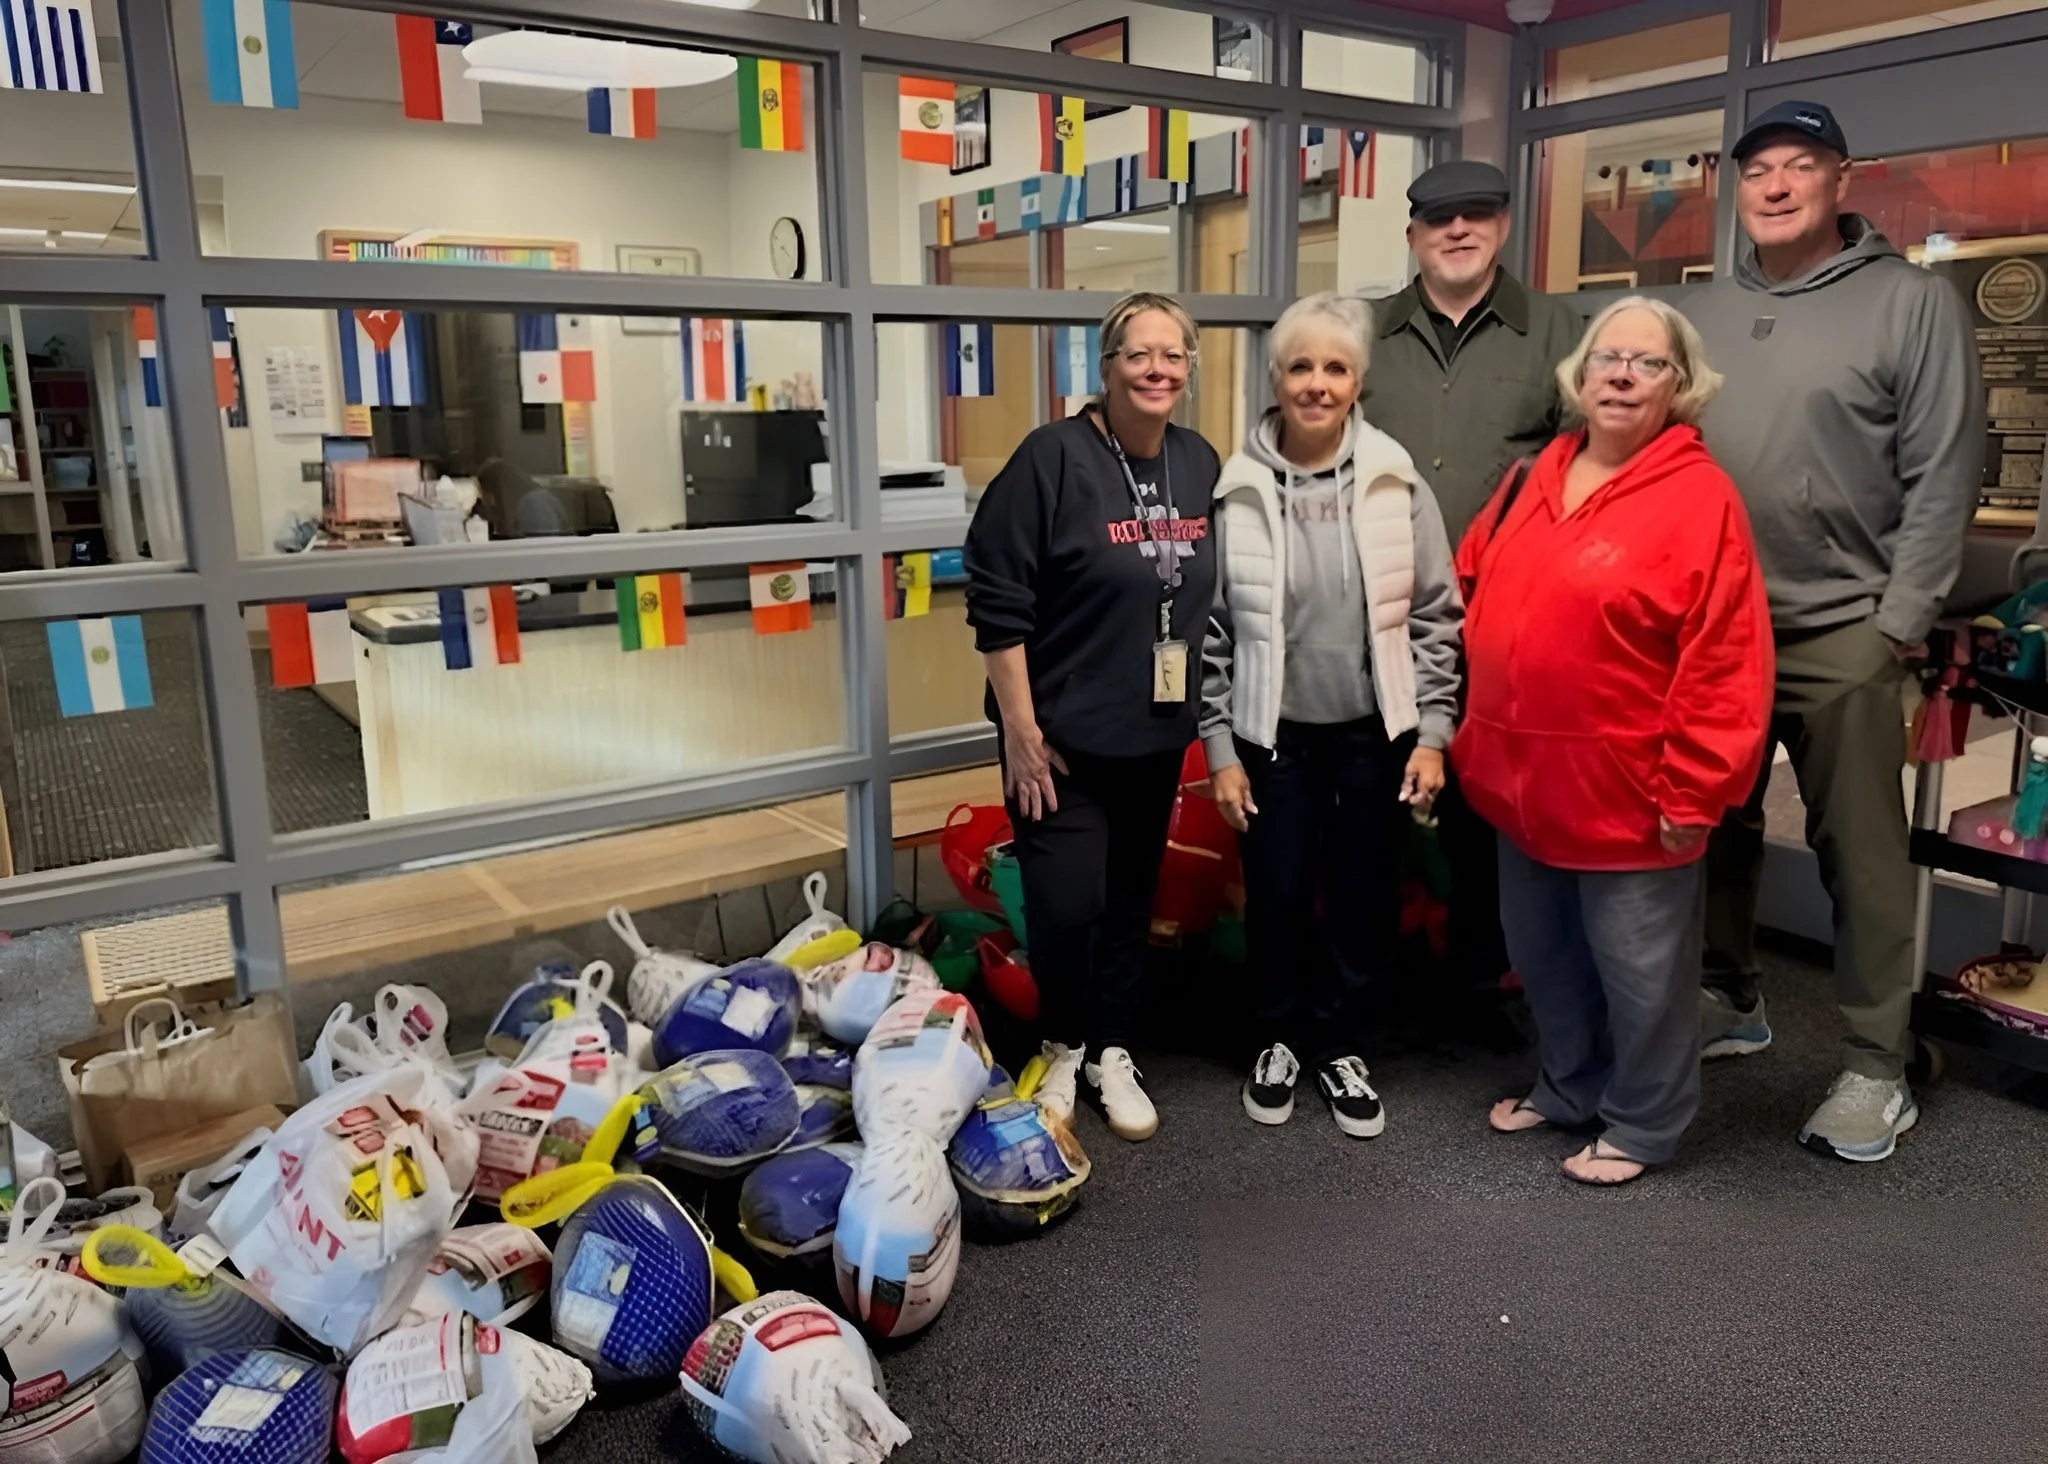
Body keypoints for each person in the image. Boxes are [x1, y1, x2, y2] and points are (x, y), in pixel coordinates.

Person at [1686, 101, 1985, 1163]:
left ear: (1839, 180)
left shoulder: (1907, 304)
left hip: (1841, 631)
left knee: (1855, 855)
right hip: (1713, 630)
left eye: (1796, 167)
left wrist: (1895, 624)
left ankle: (1873, 1065)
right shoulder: (1704, 311)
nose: (1772, 185)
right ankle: (1728, 996)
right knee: (1709, 831)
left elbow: (1946, 468)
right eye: (1756, 168)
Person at [1457, 296, 1772, 1185]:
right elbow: (1469, 583)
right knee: (1544, 959)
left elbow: (1726, 661)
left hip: (1633, 794)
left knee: (1641, 978)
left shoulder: (1700, 497)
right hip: (1520, 787)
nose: (1624, 374)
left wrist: (1693, 791)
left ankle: (1643, 1123)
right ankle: (1569, 1085)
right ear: (1581, 374)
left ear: (1682, 387)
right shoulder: (1532, 476)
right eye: (1608, 357)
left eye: (1649, 363)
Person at [1199, 293, 1462, 1139]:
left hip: (1370, 733)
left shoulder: (1395, 479)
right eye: (1301, 366)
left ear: (1358, 382)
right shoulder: (1234, 487)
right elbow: (1210, 629)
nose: (1318, 384)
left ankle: (1342, 1045)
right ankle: (1277, 1036)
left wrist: (1431, 733)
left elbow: (1434, 614)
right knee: (1274, 896)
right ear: (1275, 378)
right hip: (1267, 734)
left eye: (1336, 368)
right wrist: (1218, 749)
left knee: (1360, 895)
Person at [963, 291, 1221, 1144]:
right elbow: (998, 600)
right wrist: (1021, 731)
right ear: (1106, 368)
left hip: (1149, 735)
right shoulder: (1054, 458)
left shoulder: (1198, 462)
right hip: (1057, 743)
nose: (1157, 369)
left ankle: (1114, 1049)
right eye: (1138, 354)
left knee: (1127, 904)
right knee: (1066, 906)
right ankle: (1063, 1047)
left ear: (1188, 368)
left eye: (1172, 354)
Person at [1362, 160, 1584, 1037]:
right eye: (1439, 219)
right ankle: (1375, 988)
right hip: (1373, 616)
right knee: (1372, 805)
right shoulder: (1365, 333)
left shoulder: (1561, 333)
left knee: (1484, 815)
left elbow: (1584, 473)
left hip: (1502, 620)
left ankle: (1480, 987)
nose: (1459, 232)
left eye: (1478, 216)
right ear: (1412, 235)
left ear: (1502, 228)